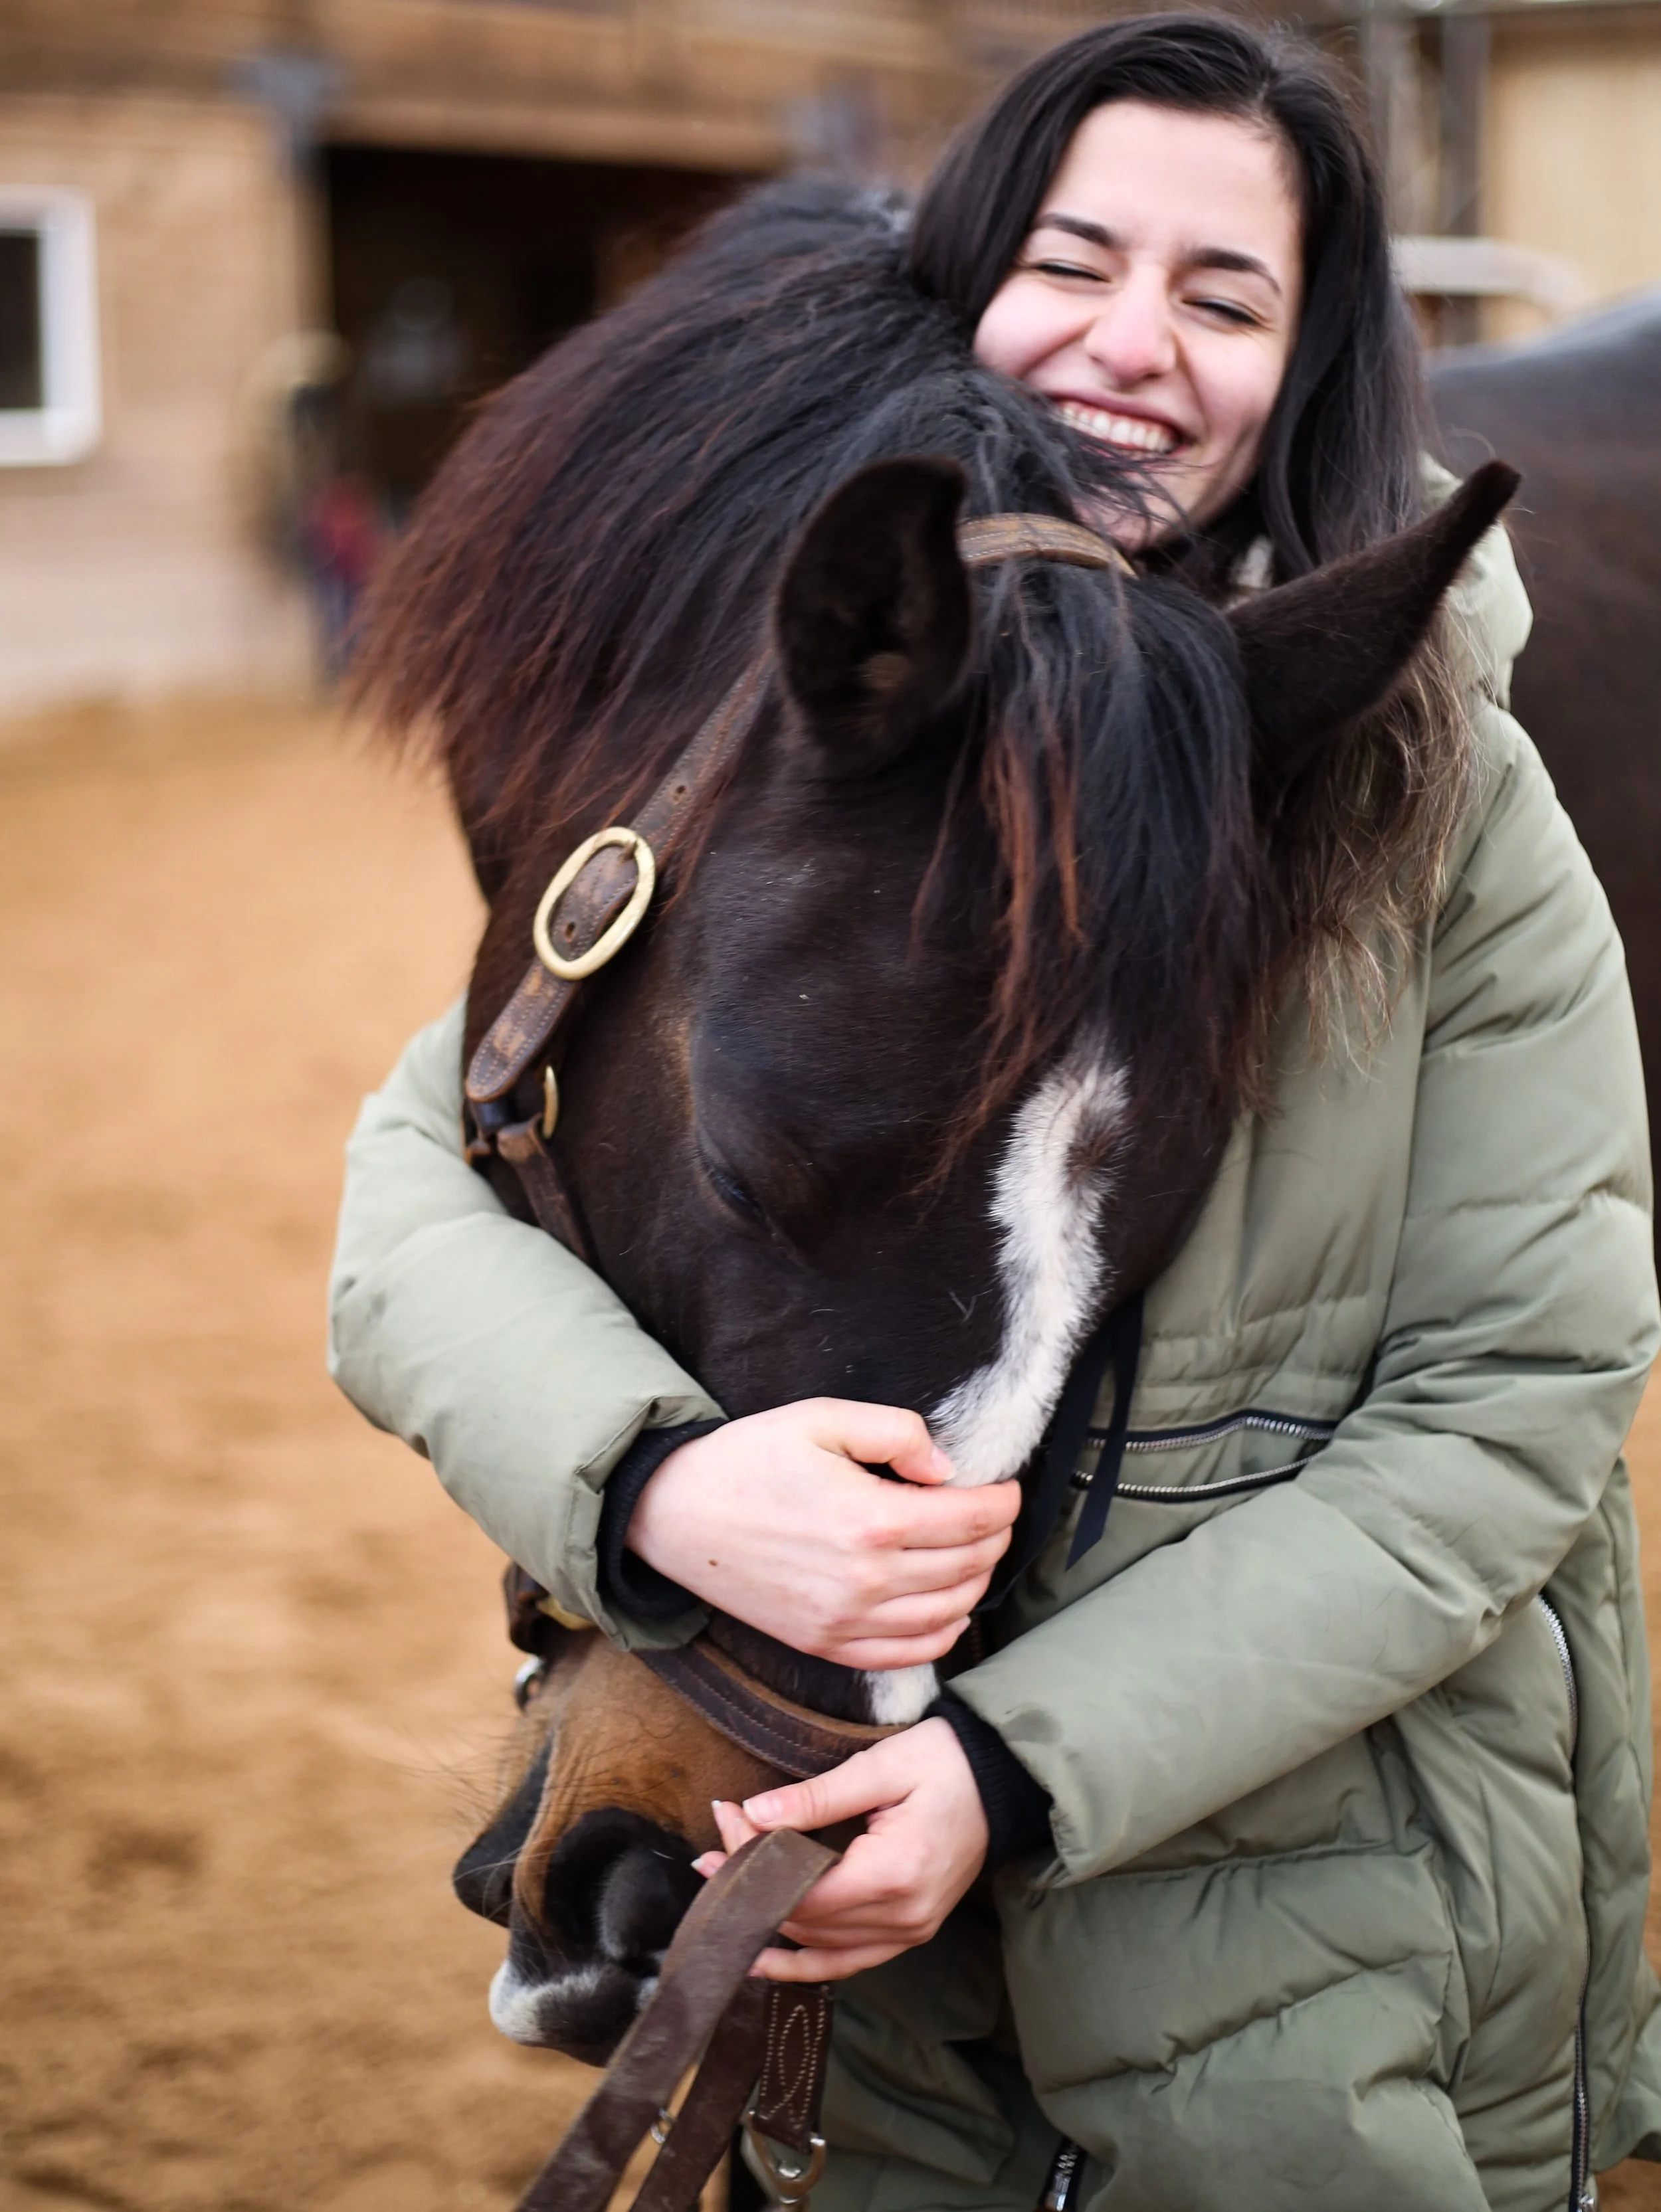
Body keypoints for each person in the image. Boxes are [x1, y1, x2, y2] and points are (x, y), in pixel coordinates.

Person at [328, 17, 1661, 2207]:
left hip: (1301, 1965)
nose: (1134, 347)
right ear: (962, 273)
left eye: (1224, 298)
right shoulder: (800, 708)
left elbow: (1517, 1388)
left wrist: (1014, 1777)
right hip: (869, 2023)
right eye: (1074, 259)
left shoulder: (1444, 793)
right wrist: (653, 1486)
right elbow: (420, 1183)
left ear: (1310, 361)